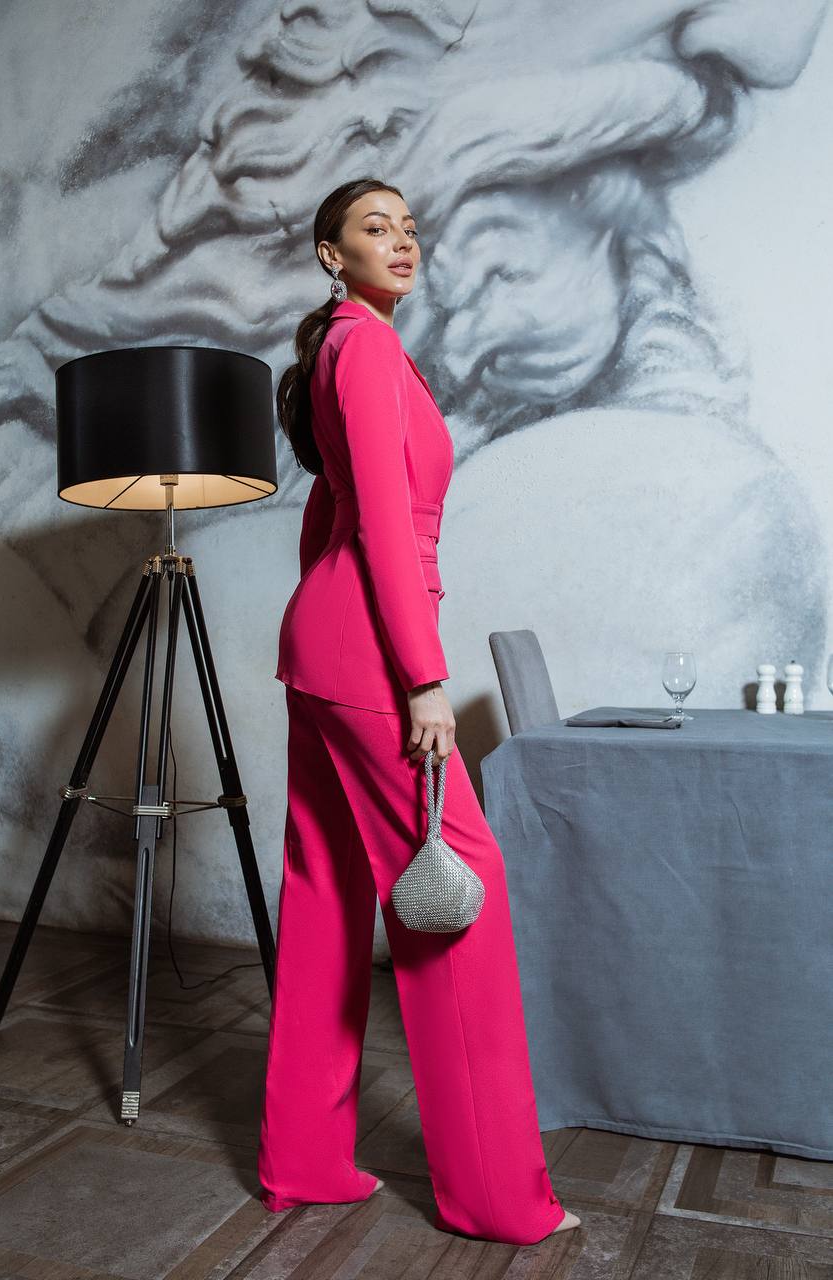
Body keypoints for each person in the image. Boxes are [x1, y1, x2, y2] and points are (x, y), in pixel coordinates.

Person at [257, 176, 581, 1245]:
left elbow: (330, 515)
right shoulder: (365, 350)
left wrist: (326, 638)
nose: (400, 241)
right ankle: (496, 1195)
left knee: (324, 898)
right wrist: (422, 674)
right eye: (372, 228)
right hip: (368, 661)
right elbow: (388, 530)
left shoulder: (342, 353)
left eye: (407, 227)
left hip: (323, 649)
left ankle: (303, 1159)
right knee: (461, 901)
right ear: (328, 253)